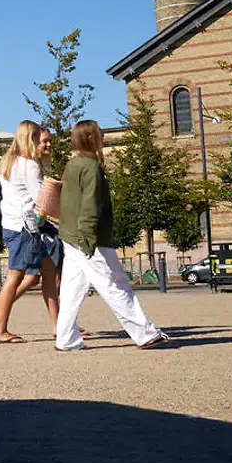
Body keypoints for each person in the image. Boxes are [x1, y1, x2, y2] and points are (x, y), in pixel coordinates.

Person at [55, 120, 168, 351]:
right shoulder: (91, 167)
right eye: (100, 135)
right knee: (114, 284)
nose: (103, 138)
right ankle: (145, 334)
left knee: (72, 288)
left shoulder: (72, 165)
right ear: (91, 139)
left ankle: (66, 338)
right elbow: (90, 206)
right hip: (91, 238)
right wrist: (88, 238)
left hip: (71, 235)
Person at [0, 122, 61, 343]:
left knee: (48, 270)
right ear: (30, 139)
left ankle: (58, 326)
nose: (43, 142)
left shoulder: (9, 163)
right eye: (39, 138)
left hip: (14, 224)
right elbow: (41, 199)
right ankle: (0, 328)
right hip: (25, 228)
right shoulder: (29, 166)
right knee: (15, 275)